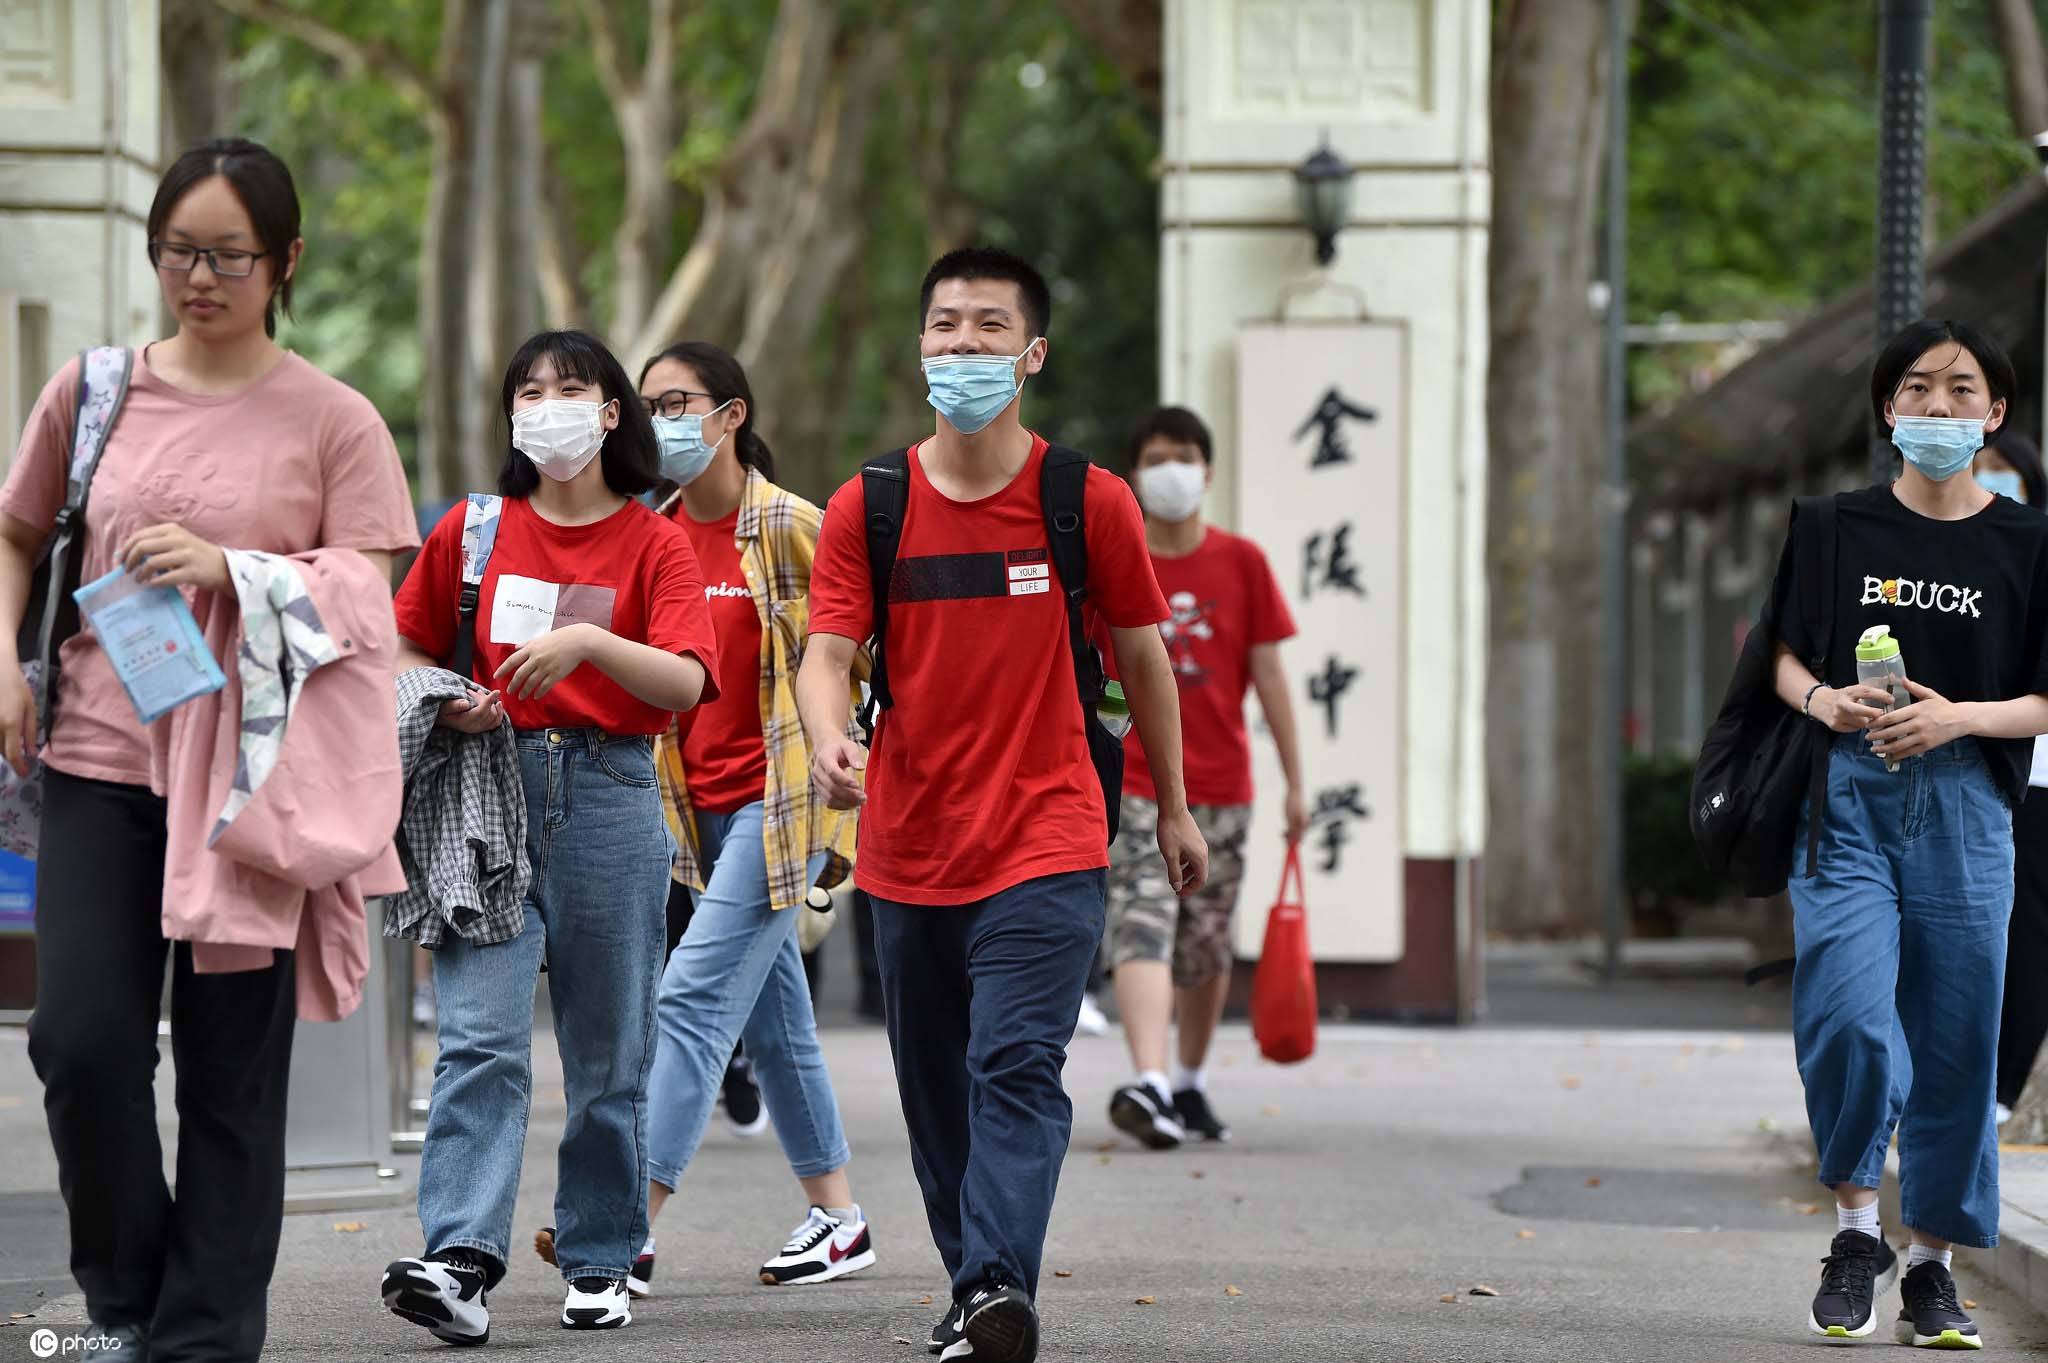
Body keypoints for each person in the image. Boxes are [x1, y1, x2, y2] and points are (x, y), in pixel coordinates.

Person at [6, 138, 419, 1361]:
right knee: (78, 1042)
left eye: (228, 255)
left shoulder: (335, 420)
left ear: (284, 260)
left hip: (250, 790)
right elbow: (21, 534)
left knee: (233, 1084)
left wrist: (235, 568)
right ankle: (124, 1301)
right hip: (95, 764)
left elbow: (364, 598)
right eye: (180, 250)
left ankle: (201, 1338)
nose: (200, 277)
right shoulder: (91, 393)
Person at [796, 246, 1209, 1363]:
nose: (961, 345)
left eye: (987, 326)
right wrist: (828, 735)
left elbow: (1144, 659)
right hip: (908, 845)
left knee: (1014, 1067)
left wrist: (1171, 808)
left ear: (1029, 354)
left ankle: (990, 1286)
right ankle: (975, 1287)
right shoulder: (869, 504)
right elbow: (826, 651)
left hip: (1049, 832)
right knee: (934, 1095)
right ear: (918, 344)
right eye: (943, 325)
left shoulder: (1086, 500)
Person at [381, 329, 718, 1341]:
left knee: (610, 1048)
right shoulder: (474, 529)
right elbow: (405, 639)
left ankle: (602, 1253)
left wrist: (587, 643)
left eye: (568, 388)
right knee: (478, 1039)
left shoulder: (655, 541)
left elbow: (687, 683)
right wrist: (443, 698)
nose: (545, 406)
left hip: (612, 796)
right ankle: (461, 1260)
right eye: (527, 390)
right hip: (487, 790)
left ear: (611, 413)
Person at [1769, 320, 2048, 1349]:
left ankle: (1928, 1266)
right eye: (1917, 390)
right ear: (1887, 410)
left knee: (1954, 1040)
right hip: (1845, 797)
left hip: (1969, 806)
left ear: (1995, 412)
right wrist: (1821, 705)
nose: (1938, 408)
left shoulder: (2031, 540)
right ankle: (1852, 1232)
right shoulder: (1830, 524)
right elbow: (1780, 657)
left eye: (1960, 390)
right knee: (1847, 1016)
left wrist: (1957, 717)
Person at [611, 339, 875, 1293]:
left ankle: (624, 1226)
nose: (658, 422)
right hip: (696, 809)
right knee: (775, 1025)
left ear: (732, 415)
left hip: (785, 800)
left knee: (688, 996)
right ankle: (839, 1218)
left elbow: (862, 660)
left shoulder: (794, 525)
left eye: (677, 402)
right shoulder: (653, 535)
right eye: (646, 405)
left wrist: (849, 779)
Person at [1101, 405, 1308, 1149]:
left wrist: (1294, 780)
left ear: (1209, 470)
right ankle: (1150, 1079)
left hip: (1223, 785)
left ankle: (1187, 1080)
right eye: (1155, 457)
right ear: (1134, 472)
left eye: (1183, 456)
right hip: (1135, 784)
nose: (1171, 471)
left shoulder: (1242, 561)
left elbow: (1271, 676)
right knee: (1142, 921)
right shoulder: (1120, 556)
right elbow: (1103, 674)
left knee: (1207, 946)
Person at [1982, 433, 2048, 1121]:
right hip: (1966, 769)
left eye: (2006, 474)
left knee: (2025, 931)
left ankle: (2001, 1092)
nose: (1996, 484)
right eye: (1985, 474)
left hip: (2037, 777)